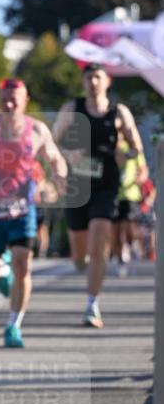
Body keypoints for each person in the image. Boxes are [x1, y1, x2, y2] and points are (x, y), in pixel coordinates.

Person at [0, 78, 67, 348]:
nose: (8, 104)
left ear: (25, 100)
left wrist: (59, 175)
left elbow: (54, 156)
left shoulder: (37, 130)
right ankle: (1, 266)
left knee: (24, 264)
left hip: (23, 207)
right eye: (4, 98)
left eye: (14, 99)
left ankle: (14, 324)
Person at [52, 64, 144, 328]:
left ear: (108, 81)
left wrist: (124, 154)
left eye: (97, 77)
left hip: (106, 185)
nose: (92, 82)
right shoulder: (72, 109)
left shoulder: (119, 112)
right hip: (77, 186)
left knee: (99, 242)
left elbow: (136, 147)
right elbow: (53, 141)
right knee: (80, 256)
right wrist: (68, 154)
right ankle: (82, 262)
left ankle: (92, 304)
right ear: (83, 81)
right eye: (88, 77)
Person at [112, 139, 149, 274]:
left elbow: (143, 170)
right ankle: (120, 259)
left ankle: (132, 243)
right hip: (112, 194)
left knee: (128, 226)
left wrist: (139, 179)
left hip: (130, 194)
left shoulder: (133, 148)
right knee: (115, 231)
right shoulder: (107, 145)